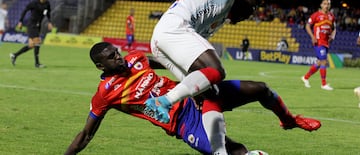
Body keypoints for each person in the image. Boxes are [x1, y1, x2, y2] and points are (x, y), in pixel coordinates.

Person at [64, 42, 321, 155]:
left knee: (260, 88)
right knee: (233, 151)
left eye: (116, 52)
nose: (118, 57)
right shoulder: (105, 94)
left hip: (195, 95)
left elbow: (170, 62)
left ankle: (288, 120)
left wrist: (197, 80)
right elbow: (86, 134)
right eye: (111, 57)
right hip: (182, 122)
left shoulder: (135, 58)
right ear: (101, 66)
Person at [146, 0, 272, 153]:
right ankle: (163, 102)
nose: (249, 17)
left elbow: (185, 58)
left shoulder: (216, 21)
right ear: (245, 3)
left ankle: (224, 150)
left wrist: (146, 62)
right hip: (175, 27)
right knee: (216, 70)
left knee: (207, 93)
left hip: (161, 41)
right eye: (251, 11)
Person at [10, 0, 53, 68]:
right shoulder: (34, 3)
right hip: (32, 24)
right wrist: (20, 21)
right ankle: (37, 64)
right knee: (38, 41)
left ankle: (14, 55)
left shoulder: (47, 3)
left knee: (31, 45)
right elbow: (25, 10)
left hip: (38, 25)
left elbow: (48, 13)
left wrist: (49, 22)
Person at [301, 0, 336, 91]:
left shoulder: (331, 16)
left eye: (328, 4)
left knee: (320, 62)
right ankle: (323, 84)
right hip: (318, 42)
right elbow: (307, 26)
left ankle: (305, 77)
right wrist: (312, 37)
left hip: (326, 43)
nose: (326, 6)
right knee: (324, 61)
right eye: (324, 4)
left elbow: (334, 28)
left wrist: (332, 36)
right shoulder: (316, 15)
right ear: (321, 5)